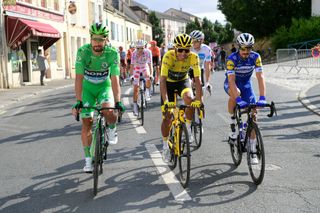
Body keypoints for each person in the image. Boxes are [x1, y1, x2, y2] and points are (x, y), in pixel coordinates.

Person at [72, 23, 125, 173]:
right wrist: (78, 101)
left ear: (106, 40)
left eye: (101, 40)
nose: (97, 43)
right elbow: (79, 78)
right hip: (88, 89)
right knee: (87, 121)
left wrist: (119, 101)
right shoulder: (83, 52)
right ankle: (88, 160)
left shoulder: (112, 53)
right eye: (95, 39)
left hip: (104, 87)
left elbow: (115, 79)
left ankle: (112, 128)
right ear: (90, 39)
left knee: (109, 111)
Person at [224, 33, 266, 165]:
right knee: (236, 92)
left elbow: (260, 77)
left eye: (249, 48)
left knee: (253, 114)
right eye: (243, 48)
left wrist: (263, 97)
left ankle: (253, 149)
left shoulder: (255, 57)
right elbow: (231, 80)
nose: (246, 51)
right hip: (232, 84)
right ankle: (232, 122)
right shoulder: (232, 58)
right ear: (238, 47)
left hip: (247, 85)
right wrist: (238, 99)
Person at [160, 33, 202, 162]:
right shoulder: (168, 56)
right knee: (168, 115)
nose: (183, 53)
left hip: (183, 81)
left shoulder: (194, 57)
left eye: (187, 50)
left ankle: (188, 128)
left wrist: (199, 100)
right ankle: (165, 145)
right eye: (180, 50)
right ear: (175, 48)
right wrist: (166, 101)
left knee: (190, 99)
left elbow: (197, 80)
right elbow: (162, 80)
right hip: (169, 84)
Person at [130, 39, 153, 116]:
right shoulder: (134, 53)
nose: (140, 50)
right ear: (136, 48)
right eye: (138, 48)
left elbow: (150, 64)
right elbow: (132, 65)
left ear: (144, 47)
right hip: (136, 68)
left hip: (144, 67)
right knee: (136, 88)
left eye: (142, 48)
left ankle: (147, 93)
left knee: (148, 76)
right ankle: (135, 106)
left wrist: (151, 74)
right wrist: (131, 75)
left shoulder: (148, 52)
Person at [189, 30, 212, 96]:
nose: (193, 43)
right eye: (192, 41)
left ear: (201, 41)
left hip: (199, 68)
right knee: (189, 83)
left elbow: (207, 66)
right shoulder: (189, 48)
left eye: (195, 41)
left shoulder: (206, 49)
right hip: (189, 68)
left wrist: (207, 82)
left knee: (200, 86)